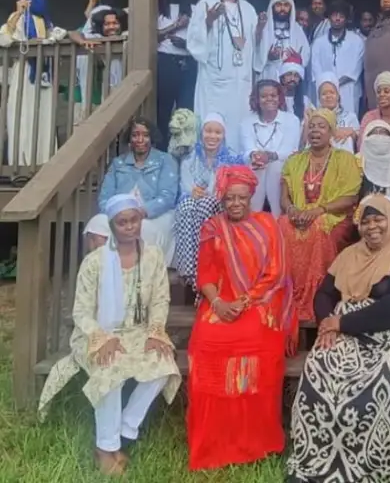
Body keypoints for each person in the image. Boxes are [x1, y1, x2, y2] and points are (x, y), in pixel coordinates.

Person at [286, 195, 390, 483]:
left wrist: (343, 322)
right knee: (322, 366)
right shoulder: (350, 255)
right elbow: (325, 294)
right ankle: (324, 459)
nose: (372, 227)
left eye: (379, 219)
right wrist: (328, 325)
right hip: (348, 331)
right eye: (365, 222)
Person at [38, 194, 181, 476]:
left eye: (134, 220)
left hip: (139, 332)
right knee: (110, 365)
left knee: (163, 364)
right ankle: (105, 447)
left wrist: (156, 331)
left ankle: (125, 430)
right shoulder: (95, 262)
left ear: (141, 220)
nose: (129, 227)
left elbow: (160, 299)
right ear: (112, 226)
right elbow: (81, 312)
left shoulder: (153, 256)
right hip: (96, 333)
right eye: (122, 222)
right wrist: (102, 338)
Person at [186, 165, 297, 470]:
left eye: (241, 198)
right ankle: (215, 439)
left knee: (253, 341)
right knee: (206, 340)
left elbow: (277, 274)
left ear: (251, 197)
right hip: (220, 299)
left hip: (261, 301)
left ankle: (255, 439)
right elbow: (205, 275)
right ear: (222, 199)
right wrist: (218, 303)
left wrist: (245, 300)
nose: (235, 203)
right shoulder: (212, 227)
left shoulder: (267, 224)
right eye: (229, 198)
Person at [279, 109, 362, 321]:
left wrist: (319, 210)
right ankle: (288, 296)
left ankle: (317, 297)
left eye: (321, 126)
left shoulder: (345, 159)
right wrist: (291, 210)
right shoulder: (294, 161)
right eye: (312, 126)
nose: (315, 131)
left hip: (333, 215)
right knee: (283, 226)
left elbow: (351, 198)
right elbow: (284, 197)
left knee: (318, 228)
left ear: (332, 132)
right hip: (298, 214)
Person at [187, 0, 264, 152]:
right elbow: (194, 43)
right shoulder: (205, 3)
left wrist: (260, 30)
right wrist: (209, 21)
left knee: (238, 128)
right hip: (214, 83)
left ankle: (237, 165)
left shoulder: (248, 9)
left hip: (240, 84)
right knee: (213, 125)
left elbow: (255, 47)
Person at [0, 0, 66, 166]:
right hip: (25, 74)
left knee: (45, 118)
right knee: (23, 117)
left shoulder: (47, 22)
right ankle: (21, 165)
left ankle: (44, 163)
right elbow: (4, 39)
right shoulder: (19, 18)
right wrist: (18, 13)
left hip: (44, 77)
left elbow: (58, 36)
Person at [174, 112, 244, 285]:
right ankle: (188, 270)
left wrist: (212, 194)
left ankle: (203, 268)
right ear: (201, 132)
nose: (212, 136)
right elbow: (185, 185)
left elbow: (231, 188)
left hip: (220, 203)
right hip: (194, 200)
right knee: (186, 206)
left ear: (223, 135)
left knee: (205, 205)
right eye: (208, 131)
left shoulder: (231, 158)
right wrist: (192, 191)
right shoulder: (190, 157)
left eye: (217, 132)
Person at [98, 117, 179, 266]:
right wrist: (117, 213)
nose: (140, 139)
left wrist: (141, 212)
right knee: (96, 224)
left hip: (153, 215)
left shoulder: (165, 160)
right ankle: (105, 273)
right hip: (119, 214)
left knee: (142, 227)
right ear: (129, 138)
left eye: (145, 135)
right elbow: (104, 198)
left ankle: (136, 274)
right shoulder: (118, 163)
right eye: (135, 135)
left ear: (152, 137)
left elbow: (167, 197)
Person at [240, 80, 301, 216]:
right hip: (257, 168)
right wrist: (254, 156)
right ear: (257, 99)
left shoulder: (292, 120)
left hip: (283, 168)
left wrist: (270, 156)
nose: (269, 99)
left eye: (273, 95)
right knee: (256, 168)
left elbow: (292, 152)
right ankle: (252, 216)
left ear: (279, 98)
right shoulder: (246, 122)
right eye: (264, 96)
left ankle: (278, 217)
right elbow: (246, 150)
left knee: (275, 167)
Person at [157, 0, 195, 145]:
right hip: (165, 61)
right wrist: (176, 26)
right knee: (163, 108)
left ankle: (183, 149)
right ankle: (162, 148)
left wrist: (186, 44)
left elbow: (202, 40)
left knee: (186, 109)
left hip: (188, 63)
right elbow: (151, 37)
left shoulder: (194, 10)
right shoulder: (156, 9)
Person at [312, 0, 364, 116]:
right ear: (329, 18)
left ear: (346, 19)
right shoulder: (319, 42)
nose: (337, 19)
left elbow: (355, 70)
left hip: (348, 89)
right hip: (325, 90)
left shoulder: (357, 41)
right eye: (335, 15)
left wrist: (336, 84)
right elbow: (316, 69)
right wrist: (328, 86)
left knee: (348, 120)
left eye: (341, 16)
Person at [254, 0, 310, 81]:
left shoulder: (297, 29)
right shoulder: (264, 27)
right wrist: (268, 58)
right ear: (272, 7)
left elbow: (305, 53)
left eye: (286, 5)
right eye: (279, 5)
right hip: (268, 74)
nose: (282, 9)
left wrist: (297, 59)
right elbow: (254, 49)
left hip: (290, 78)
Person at [307, 73, 360, 153]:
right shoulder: (313, 118)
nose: (328, 96)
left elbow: (359, 141)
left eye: (332, 92)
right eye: (324, 93)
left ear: (338, 96)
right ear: (319, 98)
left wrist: (352, 132)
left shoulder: (350, 117)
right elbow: (305, 143)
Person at [279, 53, 311, 120]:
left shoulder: (305, 100)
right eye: (289, 75)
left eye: (296, 76)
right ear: (282, 78)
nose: (292, 79)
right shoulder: (275, 99)